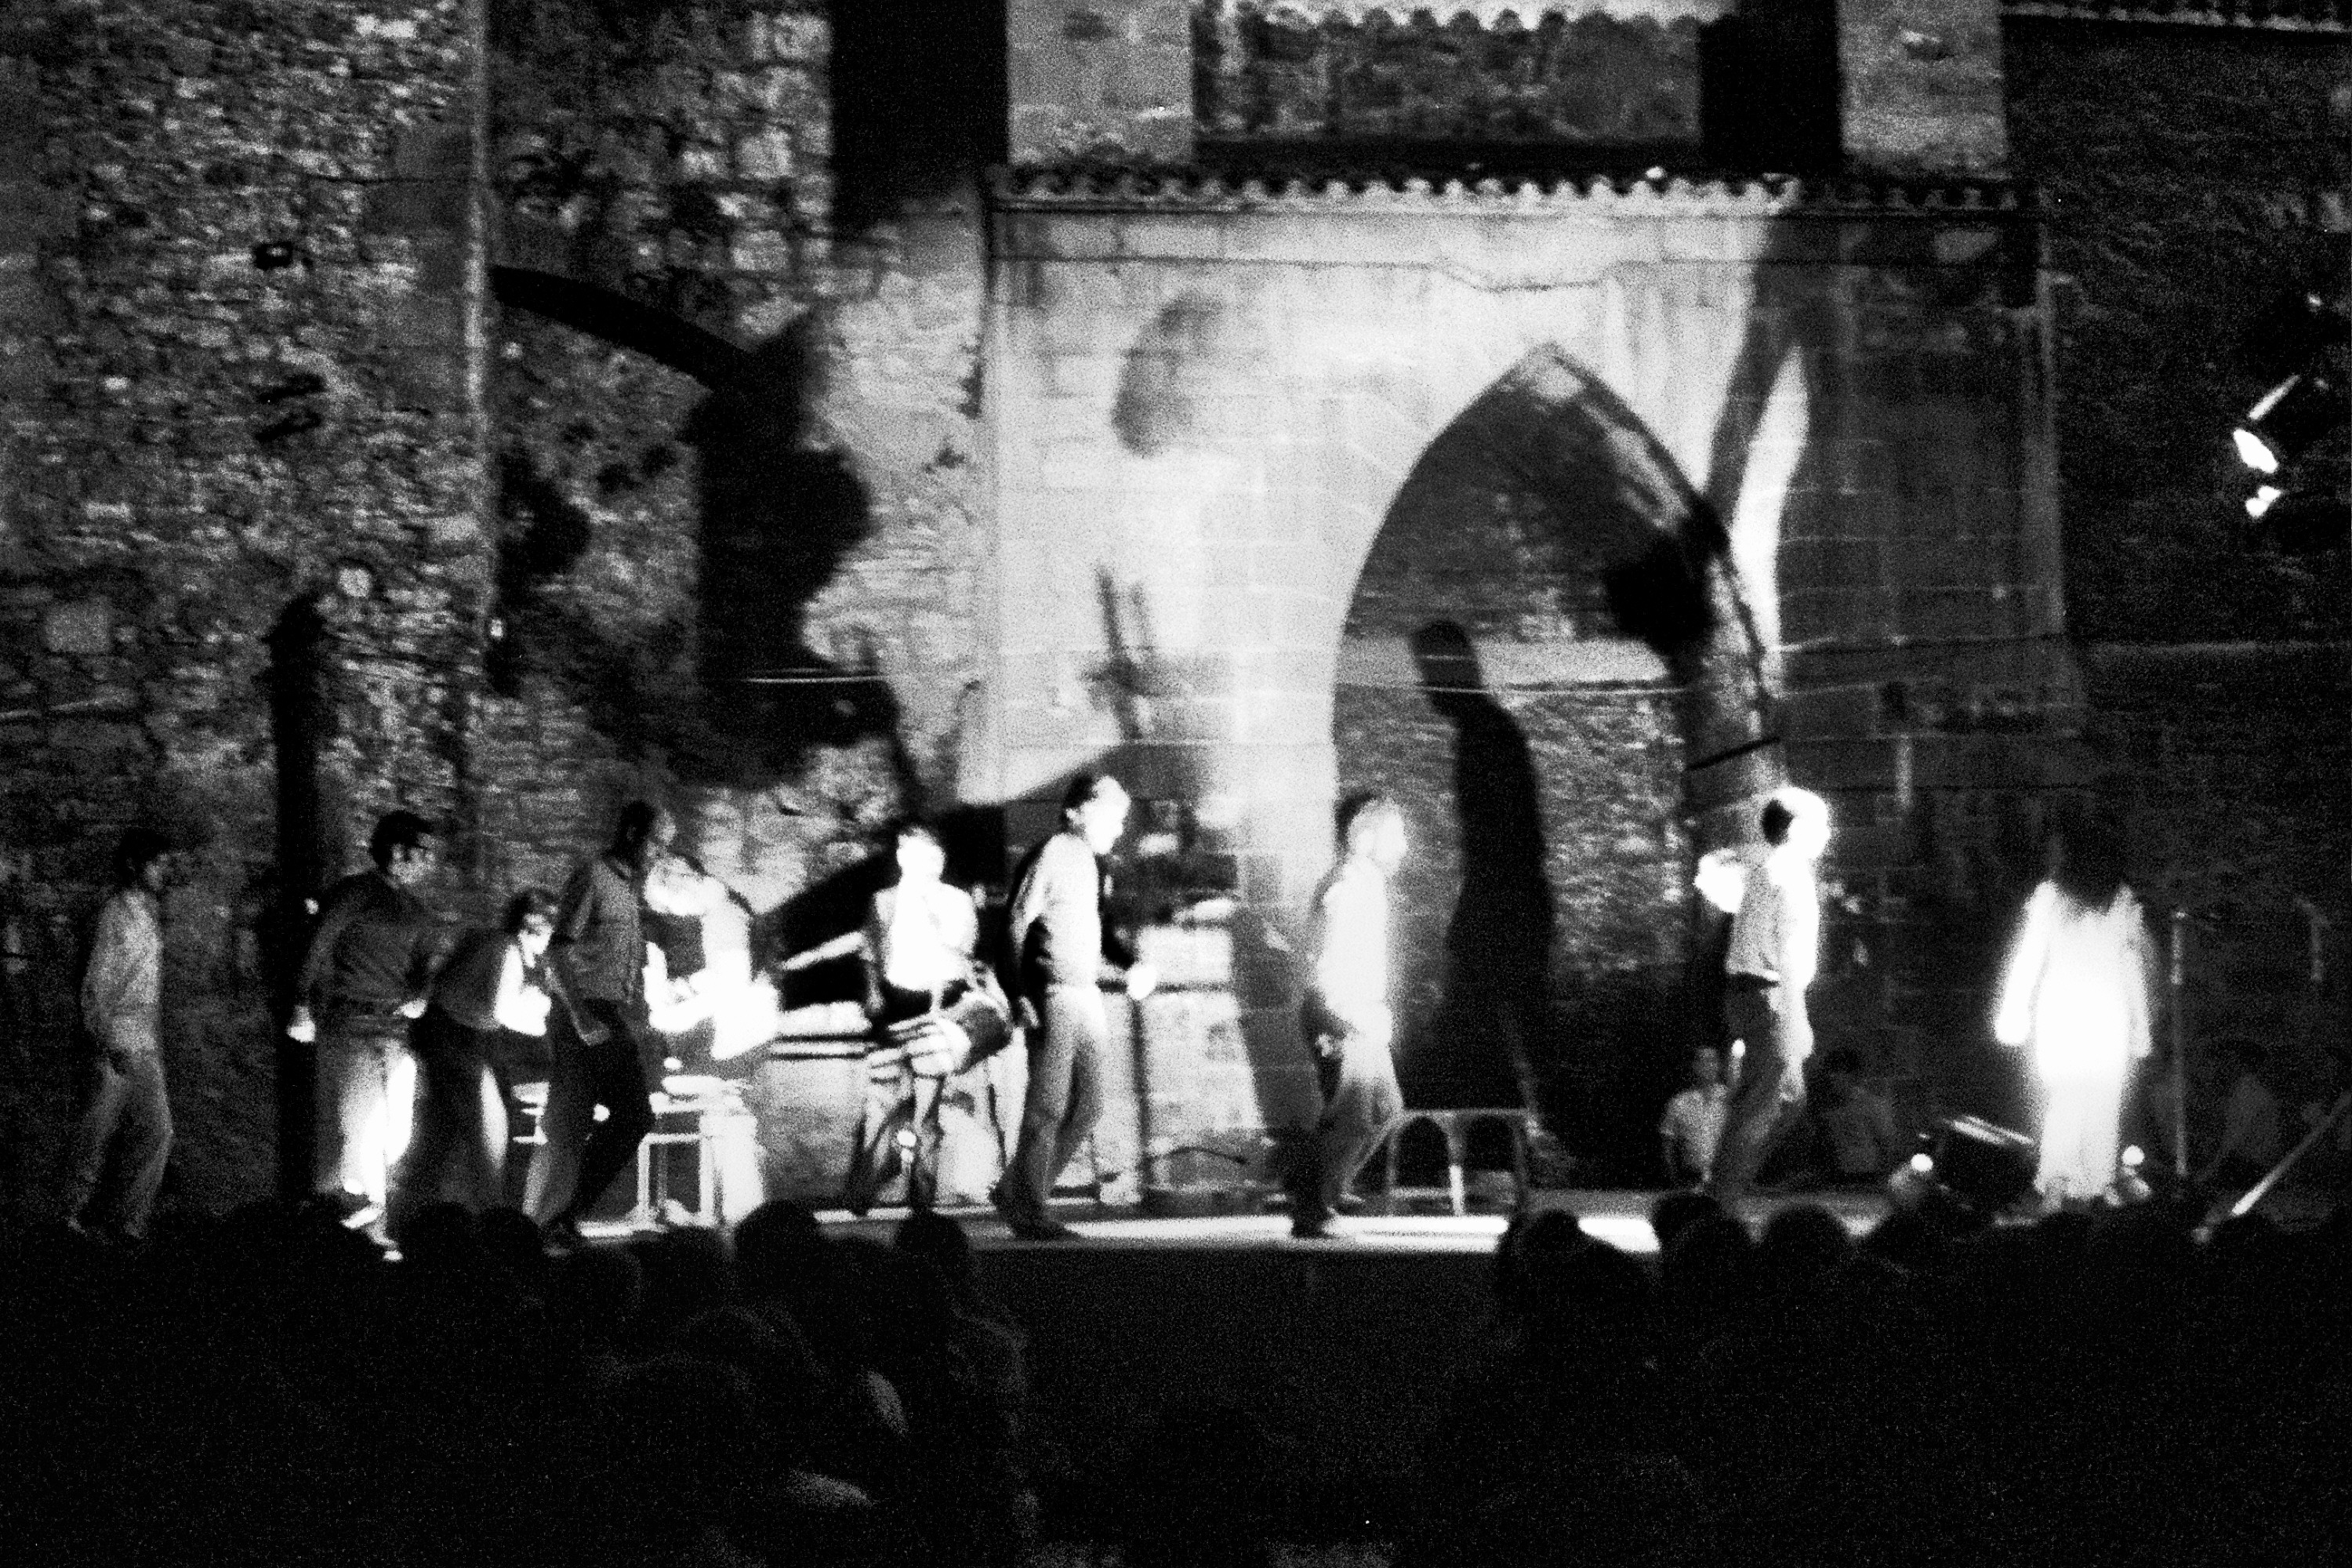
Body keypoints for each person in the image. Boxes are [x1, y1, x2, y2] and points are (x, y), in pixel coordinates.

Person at [996, 774, 1155, 1241]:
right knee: (1047, 1105)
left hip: (1085, 993)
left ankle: (1017, 1191)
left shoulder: (1096, 865)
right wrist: (1017, 992)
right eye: (1112, 816)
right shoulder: (1052, 853)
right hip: (1053, 992)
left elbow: (1101, 932)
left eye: (1122, 818)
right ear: (1078, 812)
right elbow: (1015, 922)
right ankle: (1029, 1209)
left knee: (1089, 1105)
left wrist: (1132, 963)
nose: (1119, 828)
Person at [528, 800, 675, 1245]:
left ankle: (560, 1217)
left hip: (609, 1011)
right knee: (576, 1121)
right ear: (631, 833)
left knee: (630, 1115)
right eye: (656, 842)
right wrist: (580, 1015)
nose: (660, 853)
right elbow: (557, 951)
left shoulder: (629, 890)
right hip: (585, 1010)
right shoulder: (593, 877)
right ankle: (551, 1221)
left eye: (665, 845)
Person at [843, 822, 1010, 1215]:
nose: (929, 864)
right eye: (919, 855)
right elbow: (869, 952)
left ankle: (921, 1195)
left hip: (937, 1007)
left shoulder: (955, 901)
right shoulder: (884, 901)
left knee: (927, 1107)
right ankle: (864, 1189)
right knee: (879, 1102)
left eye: (935, 857)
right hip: (892, 1009)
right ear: (903, 858)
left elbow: (963, 952)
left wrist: (936, 922)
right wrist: (872, 992)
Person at [291, 810, 442, 1225]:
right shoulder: (355, 893)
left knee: (397, 1134)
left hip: (395, 1030)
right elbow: (318, 945)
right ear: (397, 850)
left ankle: (356, 1209)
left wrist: (422, 995)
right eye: (423, 851)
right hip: (351, 1023)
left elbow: (426, 966)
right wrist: (301, 1004)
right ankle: (363, 1218)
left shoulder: (416, 911)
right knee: (361, 1125)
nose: (429, 861)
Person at [1994, 819, 2153, 1205]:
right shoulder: (2119, 901)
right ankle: (2088, 1189)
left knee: (2069, 1104)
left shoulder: (2054, 898)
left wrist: (2013, 1013)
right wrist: (2140, 1027)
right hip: (2105, 1019)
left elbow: (2029, 957)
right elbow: (2131, 967)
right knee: (2100, 1108)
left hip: (2065, 1015)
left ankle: (2061, 1187)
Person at [393, 887, 559, 1222]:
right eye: (554, 928)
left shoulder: (501, 945)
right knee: (488, 1130)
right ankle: (493, 1219)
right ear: (534, 923)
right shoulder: (506, 949)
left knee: (440, 1132)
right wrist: (540, 1019)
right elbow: (501, 1010)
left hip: (452, 1036)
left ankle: (408, 1217)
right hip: (454, 1037)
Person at [1287, 794, 1410, 1240]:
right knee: (1353, 1113)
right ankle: (1313, 1205)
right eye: (1395, 834)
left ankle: (1322, 1187)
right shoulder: (1345, 886)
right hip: (1340, 1015)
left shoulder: (1368, 883)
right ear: (1363, 838)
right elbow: (1328, 964)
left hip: (1359, 1014)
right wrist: (1356, 1015)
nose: (1404, 845)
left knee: (1386, 1108)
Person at [1709, 786, 1830, 1202]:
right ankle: (1719, 1200)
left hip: (1753, 993)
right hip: (1770, 995)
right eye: (1821, 825)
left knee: (1789, 1099)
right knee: (1763, 1102)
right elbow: (1787, 952)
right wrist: (1797, 1016)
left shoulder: (1768, 869)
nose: (1828, 833)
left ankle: (1732, 1182)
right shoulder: (1789, 875)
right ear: (1796, 829)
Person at [61, 827, 176, 1243]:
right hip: (116, 1043)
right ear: (133, 865)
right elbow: (97, 985)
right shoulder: (116, 915)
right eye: (156, 863)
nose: (163, 872)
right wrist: (108, 1042)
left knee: (157, 1130)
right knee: (95, 1132)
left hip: (143, 1043)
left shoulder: (147, 913)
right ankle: (68, 1219)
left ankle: (128, 1223)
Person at [2199, 1036, 2283, 1192]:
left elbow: (2233, 1138)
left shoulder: (2248, 1093)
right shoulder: (2247, 1090)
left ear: (2239, 1062)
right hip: (2250, 1167)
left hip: (2249, 1170)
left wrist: (2208, 1173)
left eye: (2226, 1059)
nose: (2219, 1066)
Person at [1813, 1047, 1904, 1183]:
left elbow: (1888, 1142)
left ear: (1852, 1075)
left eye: (1840, 1072)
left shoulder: (1872, 1104)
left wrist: (1886, 1175)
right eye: (1831, 1072)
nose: (1833, 1078)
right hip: (1836, 1175)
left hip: (1868, 1174)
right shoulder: (1826, 1107)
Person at [1659, 1045, 1730, 1189]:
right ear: (1695, 1066)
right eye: (1703, 1061)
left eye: (1712, 1061)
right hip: (1691, 1177)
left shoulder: (1730, 1100)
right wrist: (1675, 1178)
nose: (1708, 1066)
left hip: (1725, 1176)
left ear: (1719, 1066)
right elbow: (1668, 1144)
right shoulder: (1679, 1103)